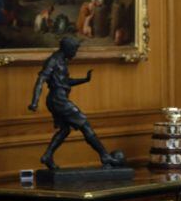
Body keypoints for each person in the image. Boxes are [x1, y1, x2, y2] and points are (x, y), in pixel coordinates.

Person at [28, 37, 124, 169]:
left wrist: (84, 80)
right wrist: (34, 102)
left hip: (57, 99)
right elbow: (41, 80)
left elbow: (66, 82)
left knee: (65, 130)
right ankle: (104, 155)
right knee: (85, 125)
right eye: (75, 49)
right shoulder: (53, 61)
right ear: (68, 48)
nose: (75, 53)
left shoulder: (61, 60)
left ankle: (48, 155)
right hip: (58, 100)